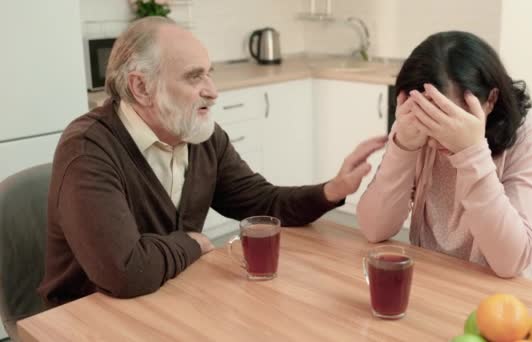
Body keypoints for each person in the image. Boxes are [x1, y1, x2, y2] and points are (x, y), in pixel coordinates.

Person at [39, 16, 386, 306]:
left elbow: (263, 202)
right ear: (141, 88)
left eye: (209, 73)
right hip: (88, 318)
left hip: (166, 296)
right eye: (194, 76)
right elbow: (125, 271)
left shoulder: (202, 138)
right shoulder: (89, 149)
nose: (213, 90)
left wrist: (331, 189)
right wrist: (192, 243)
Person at [357, 31, 532, 286]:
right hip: (439, 287)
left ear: (491, 100)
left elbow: (511, 261)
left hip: (515, 301)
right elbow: (375, 229)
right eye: (428, 114)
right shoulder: (417, 124)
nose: (437, 131)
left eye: (448, 116)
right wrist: (403, 147)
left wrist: (471, 152)